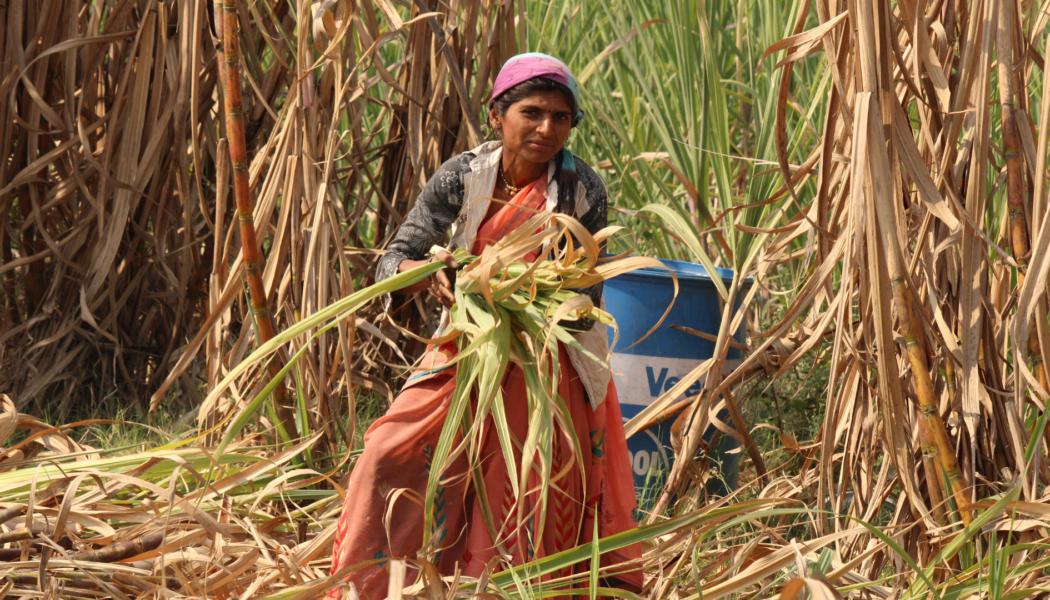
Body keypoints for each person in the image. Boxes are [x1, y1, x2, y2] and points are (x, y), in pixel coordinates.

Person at [328, 53, 641, 600]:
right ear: (497, 116)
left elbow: (587, 294)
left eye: (561, 117)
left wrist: (531, 293)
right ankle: (374, 585)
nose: (546, 128)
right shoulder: (462, 177)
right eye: (532, 112)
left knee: (519, 482)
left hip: (546, 359)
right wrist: (429, 273)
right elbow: (391, 260)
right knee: (386, 452)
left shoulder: (580, 189)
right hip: (466, 343)